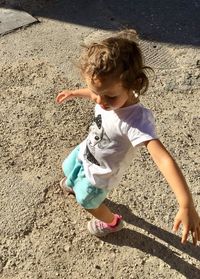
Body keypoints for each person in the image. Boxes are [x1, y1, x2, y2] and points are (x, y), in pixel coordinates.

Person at [56, 29, 200, 244]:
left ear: (134, 84)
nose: (100, 101)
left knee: (87, 201)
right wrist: (76, 92)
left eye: (110, 96)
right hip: (86, 151)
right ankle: (75, 181)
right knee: (68, 167)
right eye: (95, 91)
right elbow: (97, 93)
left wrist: (186, 204)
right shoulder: (104, 93)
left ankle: (111, 223)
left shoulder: (136, 121)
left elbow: (164, 159)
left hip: (101, 174)